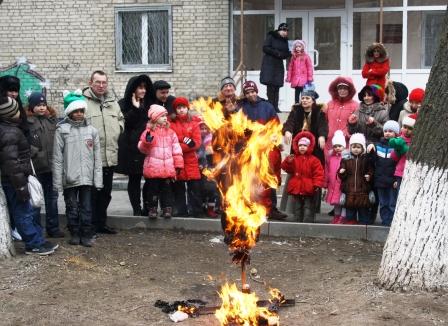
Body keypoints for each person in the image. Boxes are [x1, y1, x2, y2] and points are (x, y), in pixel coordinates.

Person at [0, 97, 58, 255]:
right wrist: (20, 184)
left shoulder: (10, 129)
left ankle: (37, 240)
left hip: (16, 178)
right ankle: (33, 244)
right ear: (11, 113)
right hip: (15, 180)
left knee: (26, 210)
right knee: (23, 212)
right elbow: (11, 163)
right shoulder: (10, 132)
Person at [53, 90, 102, 247]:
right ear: (70, 112)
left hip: (86, 178)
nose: (80, 114)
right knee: (72, 207)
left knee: (87, 208)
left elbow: (97, 158)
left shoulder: (92, 131)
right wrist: (57, 183)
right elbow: (57, 158)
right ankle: (74, 232)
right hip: (70, 178)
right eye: (76, 111)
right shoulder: (62, 131)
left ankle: (86, 234)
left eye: (82, 110)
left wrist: (98, 180)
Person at [83, 70, 124, 234]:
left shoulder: (112, 101)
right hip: (92, 158)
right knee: (92, 194)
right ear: (90, 82)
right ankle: (90, 225)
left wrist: (118, 129)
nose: (101, 85)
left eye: (104, 82)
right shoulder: (83, 102)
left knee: (106, 193)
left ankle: (101, 223)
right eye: (97, 82)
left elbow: (121, 119)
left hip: (109, 156)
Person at [239, 80, 286, 220]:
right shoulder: (242, 107)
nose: (250, 94)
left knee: (268, 178)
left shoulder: (267, 106)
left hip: (266, 148)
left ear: (256, 91)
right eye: (247, 92)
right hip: (250, 149)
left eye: (252, 91)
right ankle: (253, 207)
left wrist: (277, 141)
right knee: (252, 180)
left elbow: (276, 126)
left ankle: (271, 208)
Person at [26, 92, 64, 238]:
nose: (41, 108)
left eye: (43, 105)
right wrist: (35, 152)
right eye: (38, 105)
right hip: (36, 168)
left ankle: (53, 228)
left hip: (51, 167)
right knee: (36, 200)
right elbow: (23, 142)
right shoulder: (27, 123)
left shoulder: (51, 121)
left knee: (52, 198)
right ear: (31, 106)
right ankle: (36, 229)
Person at [116, 75, 154, 216]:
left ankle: (148, 207)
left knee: (150, 179)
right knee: (135, 179)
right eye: (140, 87)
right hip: (132, 148)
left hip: (148, 147)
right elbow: (124, 123)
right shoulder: (123, 104)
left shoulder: (149, 103)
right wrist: (136, 109)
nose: (143, 90)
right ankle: (137, 209)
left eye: (145, 87)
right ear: (133, 89)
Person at [138, 104, 183, 219]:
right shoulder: (149, 132)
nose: (165, 118)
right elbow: (142, 148)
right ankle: (152, 209)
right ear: (154, 118)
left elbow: (176, 149)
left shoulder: (171, 132)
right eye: (162, 116)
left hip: (167, 168)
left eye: (165, 116)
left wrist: (178, 164)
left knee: (167, 190)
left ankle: (167, 208)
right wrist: (147, 142)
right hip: (153, 168)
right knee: (152, 190)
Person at [169, 97, 203, 217]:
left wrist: (181, 144)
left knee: (194, 188)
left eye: (183, 107)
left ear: (187, 108)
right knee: (179, 189)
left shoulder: (194, 123)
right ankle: (181, 211)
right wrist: (185, 139)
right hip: (177, 161)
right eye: (179, 108)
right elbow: (171, 140)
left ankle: (196, 212)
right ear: (175, 110)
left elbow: (196, 143)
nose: (181, 110)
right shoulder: (171, 124)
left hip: (191, 161)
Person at [280, 131, 324, 223]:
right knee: (297, 207)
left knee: (308, 207)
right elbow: (287, 169)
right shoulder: (294, 158)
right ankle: (297, 222)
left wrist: (316, 185)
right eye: (300, 145)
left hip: (309, 187)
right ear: (297, 146)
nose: (302, 147)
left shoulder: (314, 160)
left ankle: (307, 223)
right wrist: (288, 162)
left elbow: (318, 173)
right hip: (297, 187)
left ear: (309, 147)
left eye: (304, 145)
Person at [368, 120, 400, 226]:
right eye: (385, 131)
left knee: (392, 203)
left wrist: (396, 179)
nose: (387, 133)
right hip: (380, 180)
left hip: (392, 181)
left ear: (396, 133)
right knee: (383, 203)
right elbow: (373, 161)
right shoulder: (378, 146)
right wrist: (371, 150)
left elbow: (399, 165)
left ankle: (391, 222)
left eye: (391, 131)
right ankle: (385, 221)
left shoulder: (397, 147)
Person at [338, 133, 374, 225]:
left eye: (358, 147)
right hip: (349, 191)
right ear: (350, 148)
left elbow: (371, 170)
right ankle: (351, 228)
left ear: (363, 148)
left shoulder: (366, 159)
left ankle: (363, 227)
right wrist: (341, 172)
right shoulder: (346, 159)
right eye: (353, 147)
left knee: (363, 214)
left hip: (363, 192)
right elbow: (341, 176)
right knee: (350, 215)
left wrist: (369, 176)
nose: (356, 149)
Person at [260, 23, 291, 113]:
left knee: (277, 86)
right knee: (270, 86)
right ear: (279, 30)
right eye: (284, 30)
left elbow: (285, 53)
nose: (285, 33)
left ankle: (276, 107)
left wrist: (288, 54)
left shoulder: (285, 41)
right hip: (269, 64)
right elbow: (265, 48)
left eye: (287, 31)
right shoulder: (271, 37)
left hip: (278, 65)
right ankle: (270, 106)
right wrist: (277, 53)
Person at [325, 77, 359, 156]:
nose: (342, 90)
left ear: (349, 90)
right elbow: (324, 121)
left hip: (346, 142)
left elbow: (357, 124)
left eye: (345, 88)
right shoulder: (329, 104)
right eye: (340, 88)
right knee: (330, 165)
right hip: (330, 142)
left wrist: (346, 134)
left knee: (345, 165)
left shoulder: (355, 105)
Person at [197, 117, 219, 218]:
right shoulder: (197, 141)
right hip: (200, 169)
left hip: (211, 169)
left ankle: (211, 209)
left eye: (206, 129)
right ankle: (202, 208)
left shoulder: (211, 140)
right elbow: (197, 155)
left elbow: (214, 157)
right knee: (202, 190)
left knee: (212, 190)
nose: (204, 131)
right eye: (202, 128)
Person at [323, 130, 346, 224]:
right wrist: (326, 182)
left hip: (342, 183)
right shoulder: (330, 158)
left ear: (344, 146)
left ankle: (343, 217)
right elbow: (327, 170)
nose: (337, 148)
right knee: (336, 202)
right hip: (333, 183)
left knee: (343, 201)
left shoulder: (345, 158)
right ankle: (336, 216)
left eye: (340, 146)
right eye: (335, 146)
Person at [389, 114, 416, 193]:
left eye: (410, 128)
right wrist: (397, 150)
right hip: (400, 172)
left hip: (412, 172)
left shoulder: (415, 141)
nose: (406, 130)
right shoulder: (399, 139)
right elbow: (393, 157)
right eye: (405, 127)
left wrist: (406, 149)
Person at [0, 75, 29, 140]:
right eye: (10, 91)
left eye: (16, 91)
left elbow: (25, 129)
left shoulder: (19, 107)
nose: (14, 94)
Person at [285, 39, 314, 104]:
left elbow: (309, 67)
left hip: (304, 79)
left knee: (304, 93)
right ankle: (297, 105)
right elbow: (290, 67)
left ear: (302, 47)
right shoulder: (293, 57)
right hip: (296, 79)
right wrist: (289, 77)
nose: (298, 48)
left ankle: (304, 105)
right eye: (296, 47)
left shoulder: (306, 56)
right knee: (297, 92)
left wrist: (310, 78)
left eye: (299, 46)